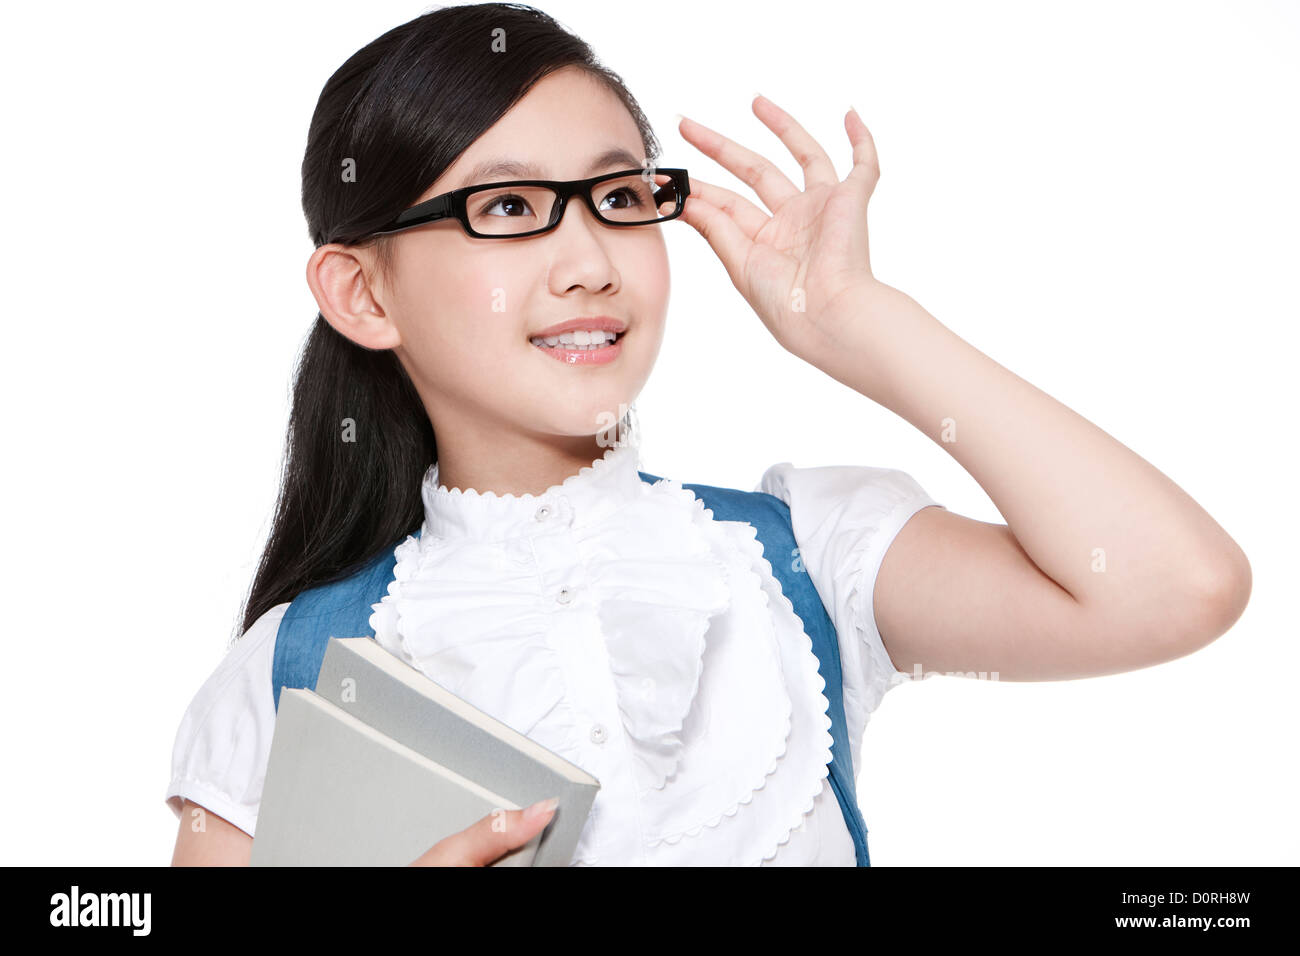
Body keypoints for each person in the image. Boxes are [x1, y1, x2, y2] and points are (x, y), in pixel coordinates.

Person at [167, 2, 1252, 866]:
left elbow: (1172, 585)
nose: (589, 258)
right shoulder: (291, 675)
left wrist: (856, 324)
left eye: (618, 194)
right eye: (505, 209)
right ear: (361, 293)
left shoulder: (802, 559)